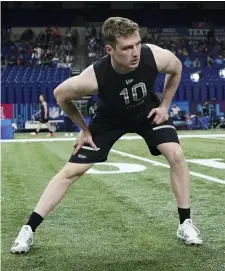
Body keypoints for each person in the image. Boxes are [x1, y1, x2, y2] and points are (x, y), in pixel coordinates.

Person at [11, 17, 203, 254]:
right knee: (71, 171)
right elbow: (61, 94)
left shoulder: (154, 56)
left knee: (175, 153)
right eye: (126, 48)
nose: (135, 52)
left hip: (146, 111)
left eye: (137, 44)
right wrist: (84, 129)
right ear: (110, 49)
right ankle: (28, 229)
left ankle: (185, 223)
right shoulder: (94, 76)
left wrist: (164, 105)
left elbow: (176, 69)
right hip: (109, 119)